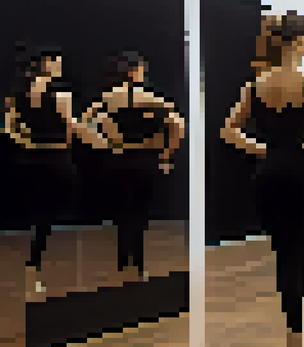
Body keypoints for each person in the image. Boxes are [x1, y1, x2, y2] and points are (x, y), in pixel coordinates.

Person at [222, 11, 304, 347]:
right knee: (300, 257)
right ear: (300, 42)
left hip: (271, 172)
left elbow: (229, 131)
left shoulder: (255, 85)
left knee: (284, 254)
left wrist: (265, 150)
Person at [83, 51, 185, 280]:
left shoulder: (106, 97)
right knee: (141, 211)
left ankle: (122, 259)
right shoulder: (152, 98)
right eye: (140, 69)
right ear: (132, 71)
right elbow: (178, 125)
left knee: (121, 210)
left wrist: (108, 141)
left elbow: (84, 124)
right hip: (145, 159)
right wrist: (166, 154)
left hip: (117, 159)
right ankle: (138, 261)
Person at [4, 45, 87, 295]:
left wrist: (28, 142)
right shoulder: (62, 96)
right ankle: (34, 264)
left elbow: (9, 129)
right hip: (56, 159)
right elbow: (71, 129)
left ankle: (33, 265)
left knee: (37, 211)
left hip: (28, 159)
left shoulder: (17, 95)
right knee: (47, 212)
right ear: (47, 65)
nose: (60, 68)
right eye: (57, 63)